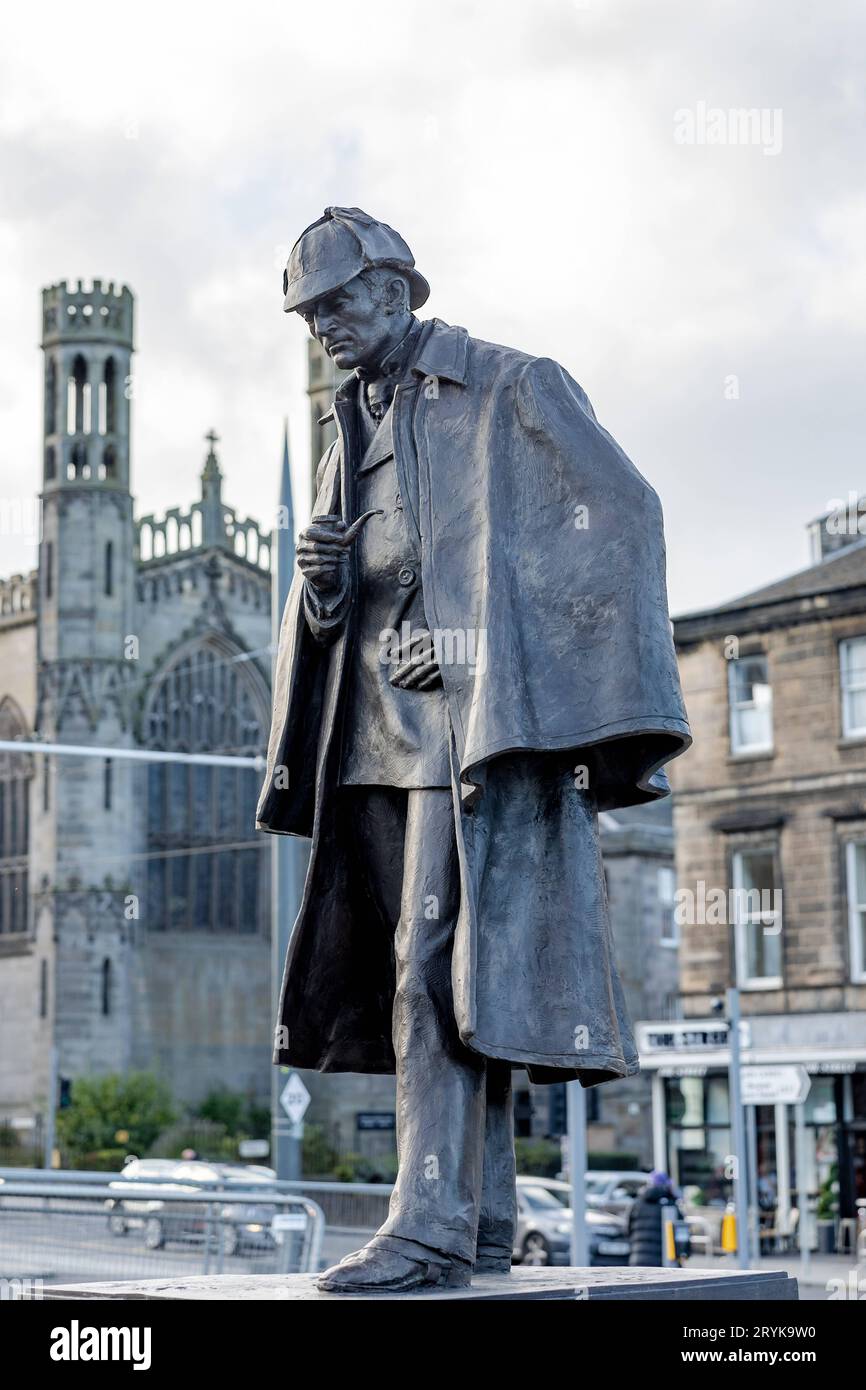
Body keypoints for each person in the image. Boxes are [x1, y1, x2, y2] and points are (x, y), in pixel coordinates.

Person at [257, 207, 691, 1293]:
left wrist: (468, 646)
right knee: (443, 975)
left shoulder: (509, 385)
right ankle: (483, 1217)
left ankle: (428, 1222)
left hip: (468, 742)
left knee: (429, 972)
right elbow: (354, 592)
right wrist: (321, 594)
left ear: (400, 290)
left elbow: (621, 523)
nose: (324, 331)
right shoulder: (345, 420)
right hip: (368, 738)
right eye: (310, 318)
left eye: (338, 305)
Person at [628, 1171, 688, 1267]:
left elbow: (627, 1230)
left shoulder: (636, 1204)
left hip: (637, 1260)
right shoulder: (670, 1205)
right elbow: (681, 1233)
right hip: (663, 1261)